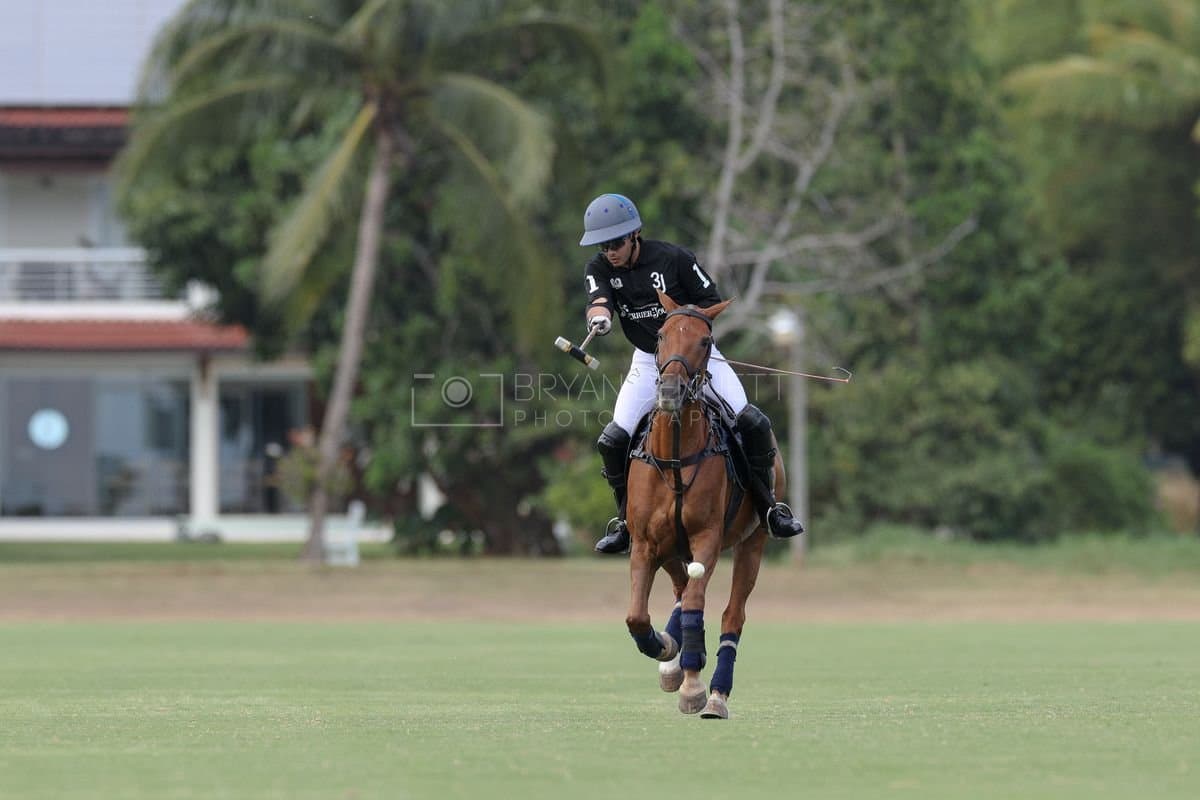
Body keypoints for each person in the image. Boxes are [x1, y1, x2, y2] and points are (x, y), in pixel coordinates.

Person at [578, 192, 804, 554]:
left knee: (752, 422)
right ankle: (623, 521)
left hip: (696, 357)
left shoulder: (674, 259)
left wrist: (684, 336)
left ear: (635, 235)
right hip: (647, 361)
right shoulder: (600, 268)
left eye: (617, 242)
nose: (611, 252)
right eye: (604, 246)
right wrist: (600, 317)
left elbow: (709, 299)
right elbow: (598, 301)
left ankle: (770, 508)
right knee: (613, 439)